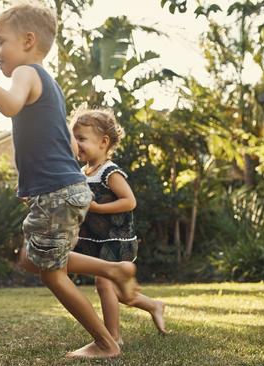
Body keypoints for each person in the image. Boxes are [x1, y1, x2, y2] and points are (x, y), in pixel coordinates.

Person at [0, 3, 139, 359]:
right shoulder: (49, 84)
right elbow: (65, 144)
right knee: (31, 259)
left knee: (52, 275)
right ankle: (112, 268)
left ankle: (106, 343)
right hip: (60, 189)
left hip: (58, 191)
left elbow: (10, 106)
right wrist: (34, 183)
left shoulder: (26, 73)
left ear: (28, 41)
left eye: (0, 42)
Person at [72, 108, 168, 344]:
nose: (76, 144)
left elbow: (129, 201)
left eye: (81, 139)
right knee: (117, 291)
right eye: (74, 139)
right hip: (95, 238)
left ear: (103, 142)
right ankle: (154, 305)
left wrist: (97, 209)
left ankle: (113, 337)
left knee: (104, 283)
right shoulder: (83, 172)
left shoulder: (109, 172)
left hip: (115, 238)